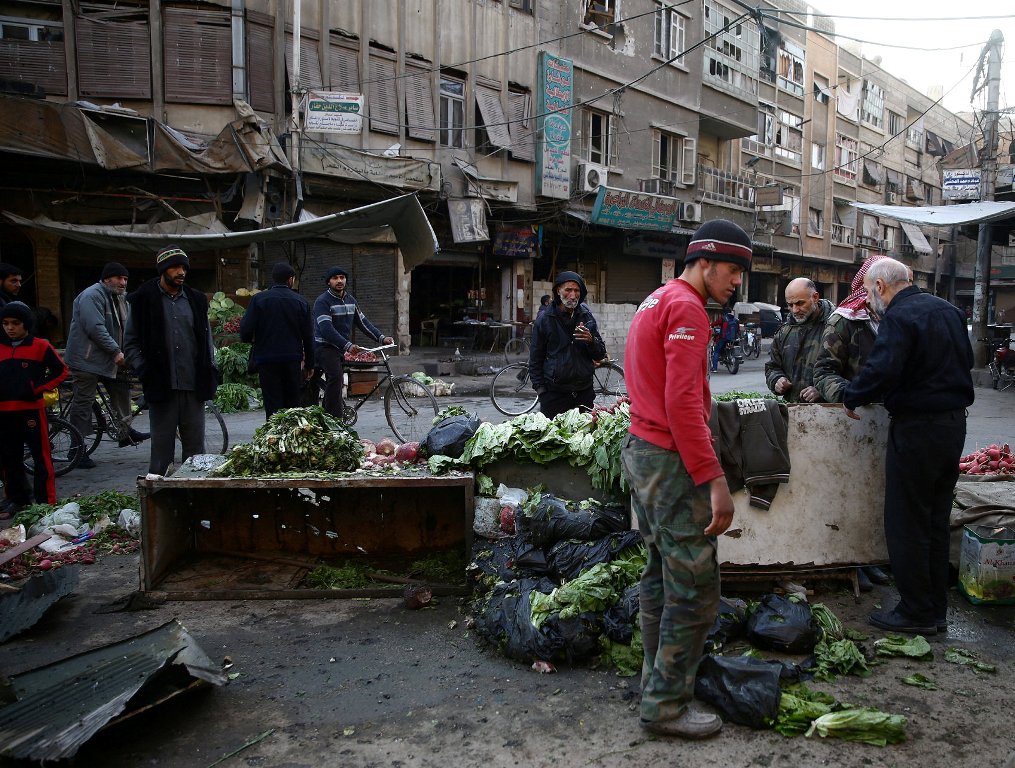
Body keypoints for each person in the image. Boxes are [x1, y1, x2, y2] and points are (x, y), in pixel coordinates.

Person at [620, 218, 751, 740]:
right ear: (705, 262)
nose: (737, 281)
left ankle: (657, 682)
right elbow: (679, 405)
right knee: (695, 587)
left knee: (659, 574)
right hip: (670, 462)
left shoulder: (656, 299)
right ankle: (667, 707)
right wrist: (714, 478)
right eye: (733, 270)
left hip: (644, 452)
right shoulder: (688, 310)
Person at [842, 258, 974, 635]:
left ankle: (915, 610)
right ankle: (935, 610)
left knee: (906, 521)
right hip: (952, 425)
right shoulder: (947, 310)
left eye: (869, 292)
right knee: (935, 520)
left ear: (881, 287)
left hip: (918, 429)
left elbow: (882, 369)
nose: (869, 299)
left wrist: (852, 395)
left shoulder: (899, 317)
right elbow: (964, 362)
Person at [124, 245, 218, 476]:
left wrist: (210, 369)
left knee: (196, 452)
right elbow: (130, 344)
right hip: (161, 386)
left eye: (184, 267)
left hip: (193, 385)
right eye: (175, 267)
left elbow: (206, 340)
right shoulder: (144, 299)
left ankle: (194, 500)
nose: (181, 272)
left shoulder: (196, 300)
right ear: (163, 270)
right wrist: (143, 368)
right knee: (162, 451)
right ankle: (159, 501)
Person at [63, 262, 148, 470]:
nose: (123, 282)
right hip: (86, 360)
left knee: (121, 386)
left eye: (125, 279)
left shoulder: (120, 298)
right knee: (84, 402)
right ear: (106, 279)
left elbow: (128, 328)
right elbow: (95, 327)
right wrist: (116, 351)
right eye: (119, 278)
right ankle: (76, 449)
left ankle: (124, 430)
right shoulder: (92, 296)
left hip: (107, 359)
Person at [0, 301, 68, 518]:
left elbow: (61, 371)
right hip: (4, 412)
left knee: (41, 457)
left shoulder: (41, 346)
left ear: (26, 324)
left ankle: (45, 502)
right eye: (6, 323)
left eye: (15, 323)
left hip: (31, 410)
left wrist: (38, 388)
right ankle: (17, 500)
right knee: (9, 458)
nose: (10, 328)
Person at [313, 266, 393, 420]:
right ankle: (333, 420)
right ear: (328, 282)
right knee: (336, 378)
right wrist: (348, 345)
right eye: (335, 278)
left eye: (342, 278)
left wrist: (381, 337)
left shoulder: (351, 300)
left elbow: (363, 322)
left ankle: (328, 412)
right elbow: (326, 329)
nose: (339, 281)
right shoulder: (322, 301)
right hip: (324, 347)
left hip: (340, 348)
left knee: (335, 380)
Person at [240, 262, 315, 418]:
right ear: (290, 280)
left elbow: (245, 331)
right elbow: (308, 336)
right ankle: (289, 437)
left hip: (266, 360)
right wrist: (309, 364)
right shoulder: (300, 301)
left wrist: (253, 341)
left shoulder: (258, 299)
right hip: (291, 360)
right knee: (292, 404)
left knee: (272, 403)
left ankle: (273, 438)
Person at [527, 271, 607, 419]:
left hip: (584, 393)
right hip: (554, 395)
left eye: (576, 290)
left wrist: (591, 341)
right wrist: (541, 391)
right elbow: (535, 359)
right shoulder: (545, 319)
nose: (572, 295)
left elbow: (600, 353)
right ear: (558, 291)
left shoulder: (586, 317)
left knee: (584, 438)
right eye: (568, 290)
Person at [812, 254, 886, 405]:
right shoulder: (844, 321)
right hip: (858, 415)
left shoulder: (908, 319)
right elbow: (824, 373)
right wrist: (850, 396)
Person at [764, 278, 833, 403]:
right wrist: (777, 380)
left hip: (831, 414)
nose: (795, 310)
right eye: (790, 305)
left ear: (815, 298)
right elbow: (772, 367)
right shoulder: (784, 332)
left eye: (800, 303)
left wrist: (823, 390)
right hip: (793, 413)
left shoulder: (837, 328)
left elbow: (853, 374)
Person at [709, 307, 738, 373]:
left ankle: (714, 368)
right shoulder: (735, 319)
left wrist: (711, 325)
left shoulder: (724, 318)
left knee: (716, 352)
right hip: (733, 338)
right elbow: (738, 329)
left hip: (724, 338)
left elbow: (715, 323)